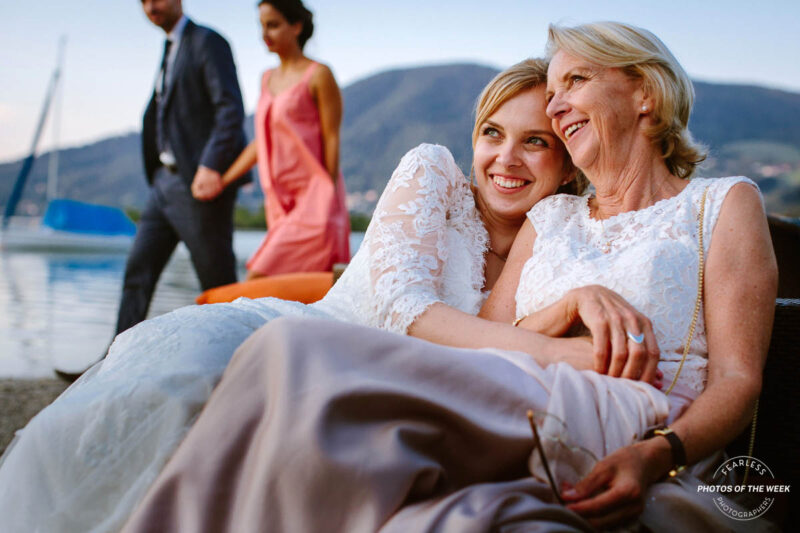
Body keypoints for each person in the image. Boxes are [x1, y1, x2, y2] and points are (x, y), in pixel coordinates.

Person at [121, 22, 778, 533]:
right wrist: (567, 306)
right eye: (553, 93)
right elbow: (489, 331)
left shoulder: (722, 203)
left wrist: (657, 453)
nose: (558, 105)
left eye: (575, 81)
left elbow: (738, 380)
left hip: (631, 410)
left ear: (644, 92)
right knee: (284, 359)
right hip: (513, 385)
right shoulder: (553, 215)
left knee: (297, 355)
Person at [0, 59, 604, 533]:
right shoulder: (435, 174)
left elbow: (499, 351)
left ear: (567, 164)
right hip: (305, 343)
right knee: (185, 402)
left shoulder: (561, 236)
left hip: (396, 401)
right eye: (492, 133)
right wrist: (552, 347)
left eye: (535, 142)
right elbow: (403, 308)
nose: (505, 158)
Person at [116, 0, 251, 333]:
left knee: (217, 283)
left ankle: (237, 353)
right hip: (162, 183)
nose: (151, 6)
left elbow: (230, 109)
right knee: (137, 273)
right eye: (143, 1)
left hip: (197, 184)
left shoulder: (207, 42)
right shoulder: (170, 47)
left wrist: (210, 165)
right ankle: (114, 358)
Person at [195, 0, 350, 280]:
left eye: (274, 25)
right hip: (279, 201)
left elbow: (331, 138)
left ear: (296, 26)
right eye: (262, 26)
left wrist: (326, 199)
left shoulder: (319, 75)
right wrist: (224, 180)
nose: (265, 34)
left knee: (257, 277)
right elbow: (261, 143)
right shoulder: (266, 79)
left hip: (314, 200)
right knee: (296, 291)